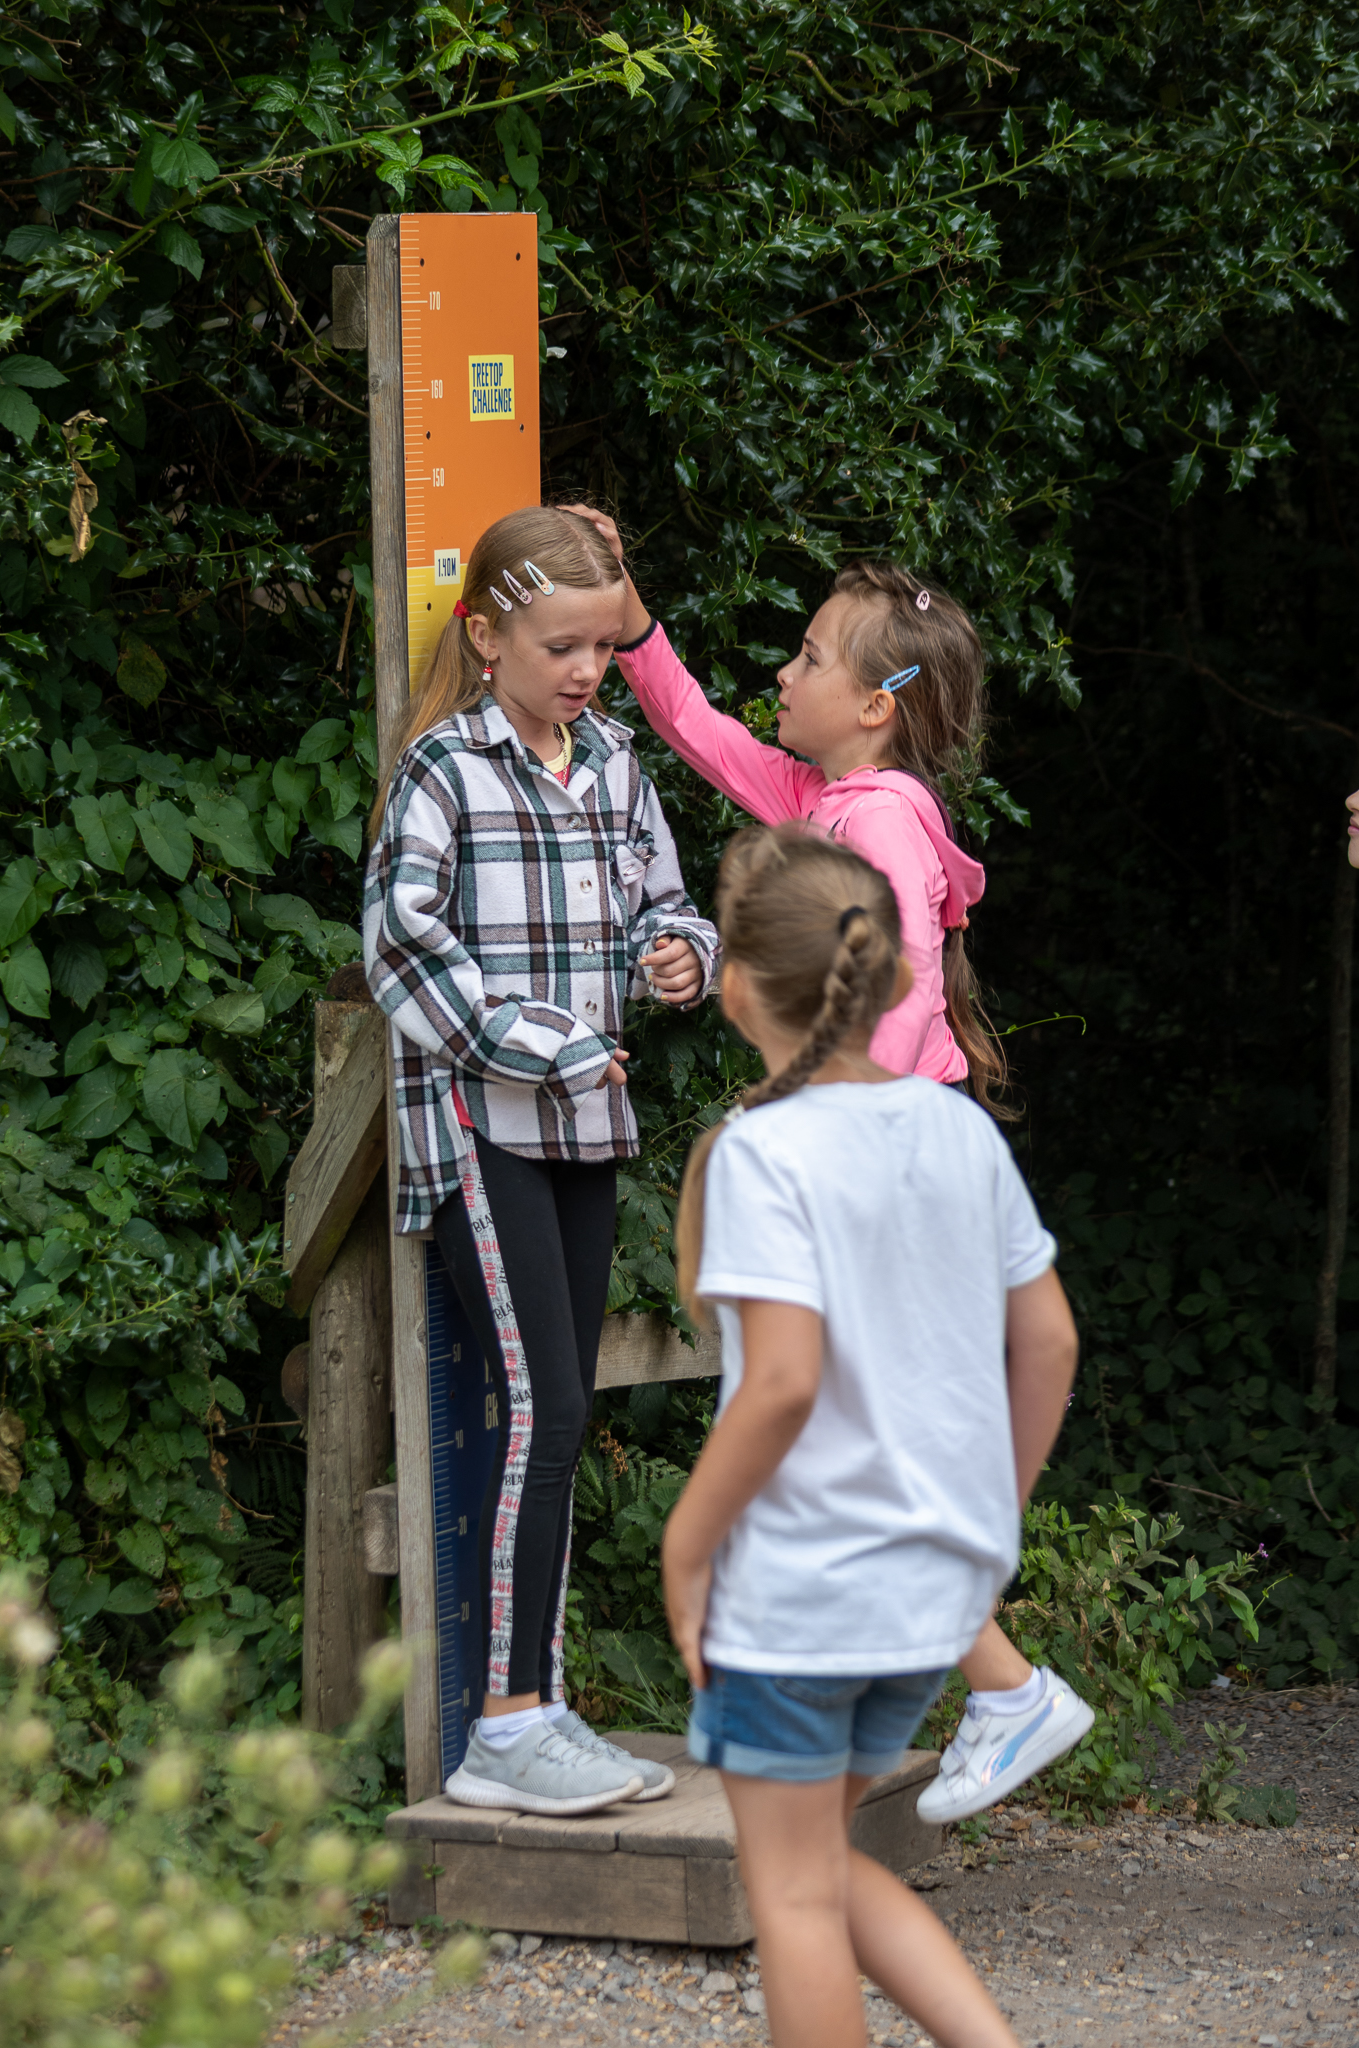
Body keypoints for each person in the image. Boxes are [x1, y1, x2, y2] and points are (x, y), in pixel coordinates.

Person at [564, 503, 1092, 1819]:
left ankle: (993, 1692)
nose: (783, 677)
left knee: (838, 1436)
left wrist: (813, 1103)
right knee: (850, 1442)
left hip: (888, 1178)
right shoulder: (836, 795)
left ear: (873, 705)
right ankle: (953, 1689)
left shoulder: (886, 823)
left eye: (806, 657)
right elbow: (705, 737)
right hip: (883, 1162)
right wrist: (633, 632)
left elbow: (900, 996)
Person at [661, 825, 1081, 2048]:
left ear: (737, 985)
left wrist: (687, 1546)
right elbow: (1048, 1342)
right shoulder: (959, 1130)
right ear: (894, 976)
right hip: (932, 1591)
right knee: (824, 1867)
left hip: (804, 1590)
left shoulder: (761, 1149)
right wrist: (989, 1515)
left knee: (787, 1889)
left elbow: (782, 1382)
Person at [364, 506, 719, 1817]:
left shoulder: (615, 763)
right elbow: (400, 949)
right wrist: (540, 1044)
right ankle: (507, 1726)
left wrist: (683, 959)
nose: (582, 668)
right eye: (557, 644)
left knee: (559, 1414)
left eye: (600, 646)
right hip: (479, 1129)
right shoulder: (443, 771)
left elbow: (659, 911)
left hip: (588, 1130)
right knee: (548, 1409)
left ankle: (540, 1707)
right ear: (487, 636)